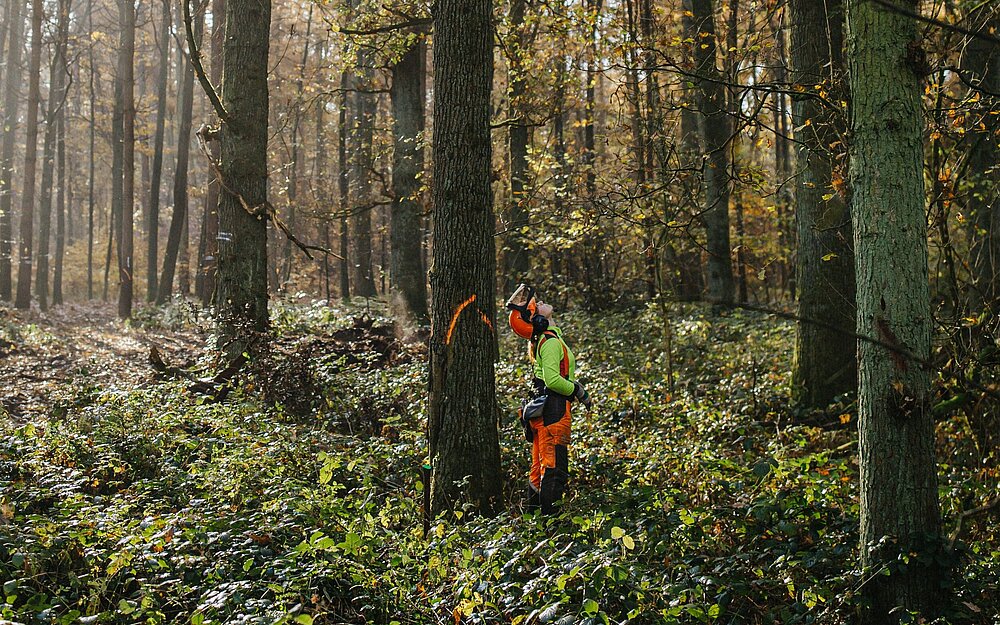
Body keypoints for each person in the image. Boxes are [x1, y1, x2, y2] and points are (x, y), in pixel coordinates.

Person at [506, 284, 592, 515]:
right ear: (536, 321)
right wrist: (578, 391)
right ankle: (549, 524)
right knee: (554, 470)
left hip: (544, 410)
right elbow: (554, 381)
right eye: (536, 306)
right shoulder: (551, 342)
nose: (540, 303)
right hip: (553, 411)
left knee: (539, 468)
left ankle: (533, 521)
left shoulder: (545, 340)